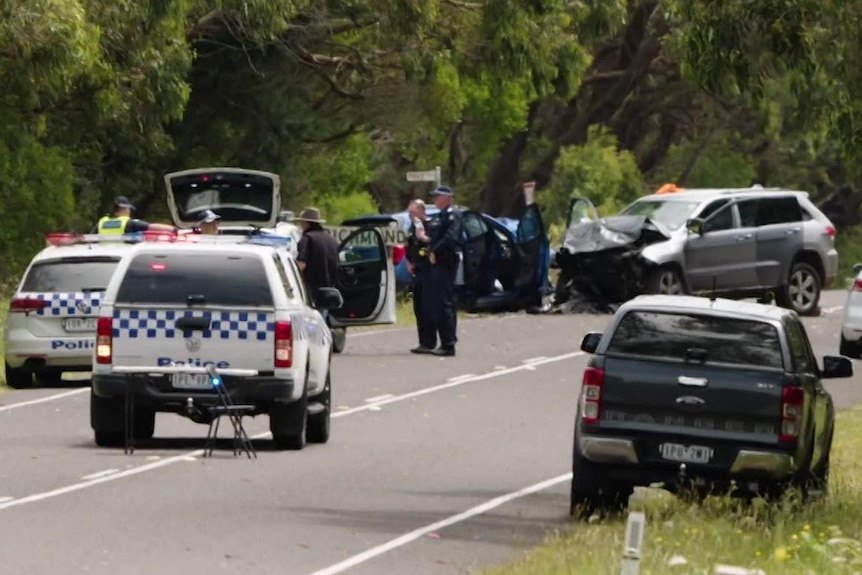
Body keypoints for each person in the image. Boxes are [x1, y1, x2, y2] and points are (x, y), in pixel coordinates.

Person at [425, 185, 463, 356]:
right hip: (437, 262)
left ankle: (448, 343)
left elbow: (450, 237)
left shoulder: (453, 215)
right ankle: (445, 340)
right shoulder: (439, 216)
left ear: (448, 198)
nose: (434, 200)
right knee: (438, 302)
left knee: (445, 302)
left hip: (446, 261)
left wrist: (435, 250)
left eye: (437, 197)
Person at [295, 207, 340, 321]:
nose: (301, 224)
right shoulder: (331, 239)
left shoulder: (307, 238)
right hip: (328, 290)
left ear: (306, 223)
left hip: (311, 289)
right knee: (321, 321)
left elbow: (301, 264)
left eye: (302, 222)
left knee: (311, 323)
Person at [405, 199, 436, 354]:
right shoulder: (412, 227)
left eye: (413, 212)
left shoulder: (431, 225)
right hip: (416, 270)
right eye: (409, 213)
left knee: (428, 306)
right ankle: (423, 341)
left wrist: (423, 236)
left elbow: (435, 243)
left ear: (422, 212)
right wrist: (408, 261)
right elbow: (409, 245)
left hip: (429, 270)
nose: (410, 215)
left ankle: (430, 341)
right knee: (418, 307)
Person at [94, 196, 175, 235]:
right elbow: (152, 226)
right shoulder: (129, 223)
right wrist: (175, 230)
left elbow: (90, 239)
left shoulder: (101, 223)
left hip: (105, 256)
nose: (129, 212)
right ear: (124, 208)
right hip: (124, 257)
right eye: (129, 209)